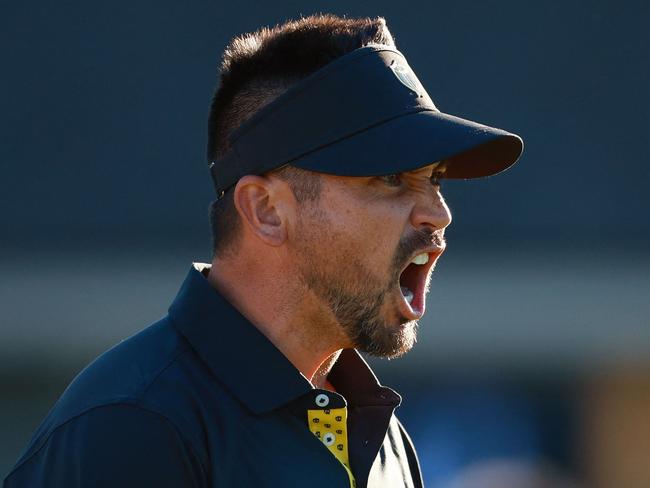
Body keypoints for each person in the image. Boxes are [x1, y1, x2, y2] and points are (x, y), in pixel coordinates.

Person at [3, 14, 523, 488]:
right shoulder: (134, 426)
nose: (438, 213)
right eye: (389, 177)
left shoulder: (380, 436)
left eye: (433, 178)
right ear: (267, 210)